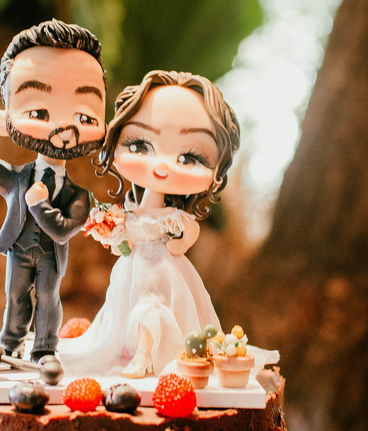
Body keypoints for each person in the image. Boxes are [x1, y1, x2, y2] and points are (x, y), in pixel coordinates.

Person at [57, 70, 240, 378]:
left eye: (189, 157)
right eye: (140, 145)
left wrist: (178, 243)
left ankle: (144, 358)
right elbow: (123, 243)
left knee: (151, 310)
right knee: (123, 313)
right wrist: (112, 232)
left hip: (164, 274)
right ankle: (130, 353)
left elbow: (187, 234)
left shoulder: (172, 217)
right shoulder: (131, 212)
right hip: (131, 272)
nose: (162, 165)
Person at [0, 19, 106, 361]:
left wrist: (41, 205)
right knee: (16, 297)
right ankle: (11, 343)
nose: (63, 127)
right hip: (18, 250)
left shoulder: (79, 196)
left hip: (50, 256)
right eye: (40, 112)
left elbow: (63, 229)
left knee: (48, 298)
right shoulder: (16, 178)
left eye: (84, 117)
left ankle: (44, 348)